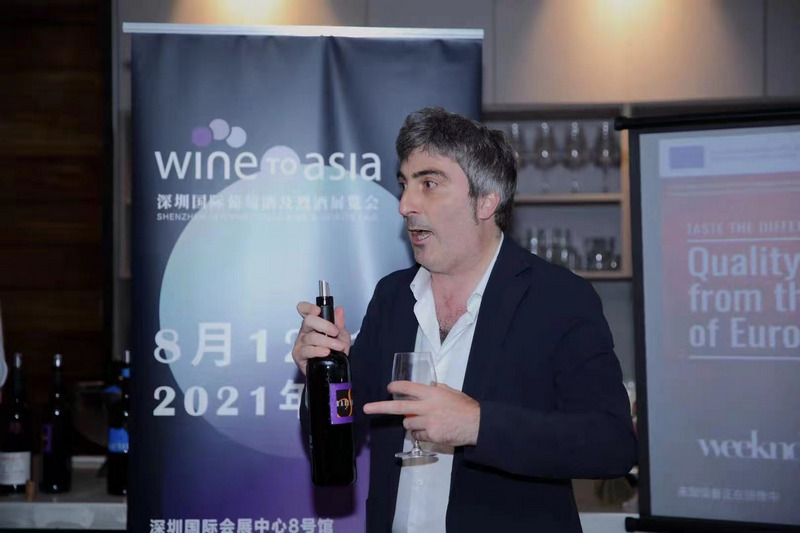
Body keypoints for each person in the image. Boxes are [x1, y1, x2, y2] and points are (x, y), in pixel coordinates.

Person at [292, 107, 637, 532]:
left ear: (487, 199)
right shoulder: (392, 297)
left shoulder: (557, 298)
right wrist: (324, 377)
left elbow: (612, 445)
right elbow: (344, 432)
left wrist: (478, 425)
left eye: (429, 184)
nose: (405, 205)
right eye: (404, 184)